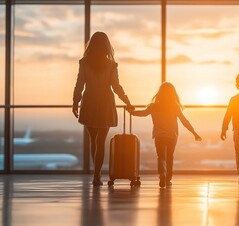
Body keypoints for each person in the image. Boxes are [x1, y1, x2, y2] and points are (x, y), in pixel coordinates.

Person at [72, 32, 134, 186]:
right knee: (101, 142)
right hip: (106, 102)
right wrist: (127, 101)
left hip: (89, 102)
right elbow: (116, 86)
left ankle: (96, 174)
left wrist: (75, 102)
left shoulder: (84, 63)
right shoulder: (112, 65)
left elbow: (79, 84)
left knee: (93, 141)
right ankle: (96, 175)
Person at [128, 82, 202, 188]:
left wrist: (131, 112)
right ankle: (168, 178)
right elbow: (184, 121)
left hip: (159, 135)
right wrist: (194, 133)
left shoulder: (154, 106)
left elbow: (142, 113)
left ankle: (162, 174)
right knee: (169, 157)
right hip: (172, 136)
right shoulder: (175, 107)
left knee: (161, 157)